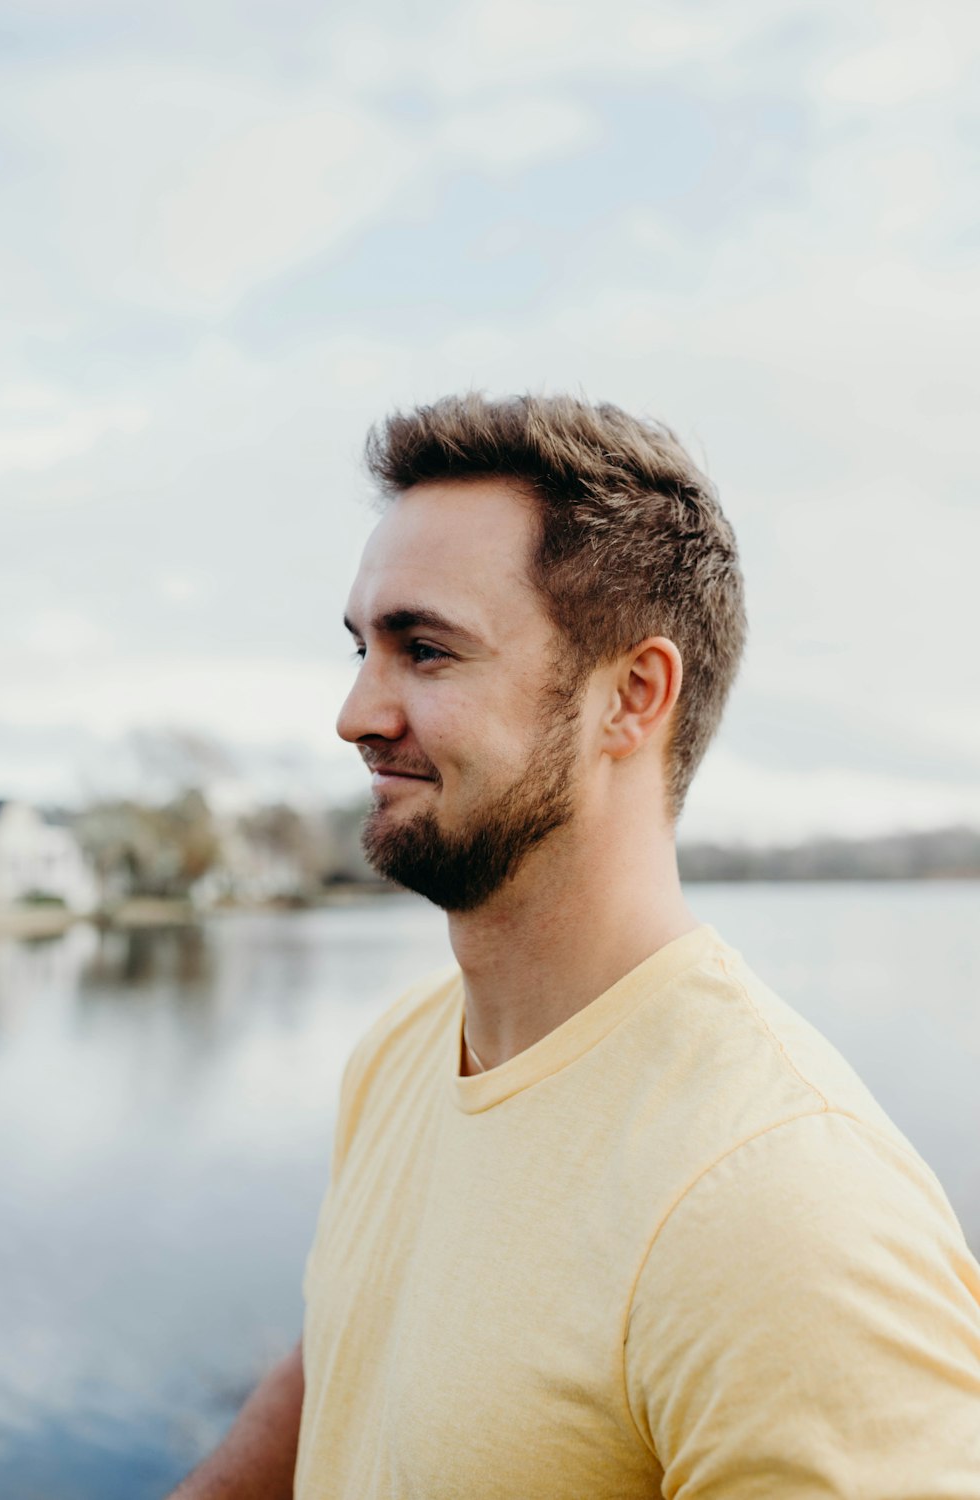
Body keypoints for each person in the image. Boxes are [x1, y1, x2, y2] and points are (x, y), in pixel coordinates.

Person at [169, 394, 980, 1499]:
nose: (356, 712)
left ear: (630, 697)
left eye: (426, 650)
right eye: (363, 647)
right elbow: (345, 1369)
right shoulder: (404, 1053)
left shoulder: (780, 1204)